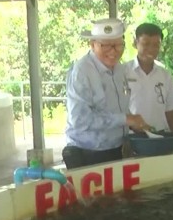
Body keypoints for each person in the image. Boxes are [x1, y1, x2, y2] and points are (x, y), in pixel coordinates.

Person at [63, 18, 150, 170]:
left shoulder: (119, 69)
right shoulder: (82, 72)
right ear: (92, 44)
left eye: (118, 45)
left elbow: (118, 108)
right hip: (88, 153)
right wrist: (126, 119)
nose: (113, 51)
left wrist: (134, 123)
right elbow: (80, 120)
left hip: (116, 149)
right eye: (106, 45)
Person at [121, 23, 173, 135]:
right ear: (136, 43)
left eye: (156, 45)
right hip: (131, 136)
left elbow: (171, 110)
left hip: (160, 135)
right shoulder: (123, 72)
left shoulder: (165, 75)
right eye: (146, 44)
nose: (151, 49)